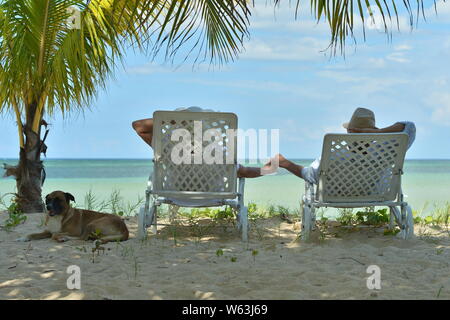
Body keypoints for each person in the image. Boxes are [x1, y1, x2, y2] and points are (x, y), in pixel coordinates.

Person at [267, 107, 416, 183]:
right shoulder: (383, 153)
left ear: (349, 131)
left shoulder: (334, 155)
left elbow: (309, 175)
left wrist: (285, 163)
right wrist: (376, 132)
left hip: (333, 195)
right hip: (376, 194)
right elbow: (409, 126)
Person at [132, 106, 264, 178]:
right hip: (212, 196)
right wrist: (269, 168)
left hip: (174, 192)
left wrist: (174, 120)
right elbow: (245, 172)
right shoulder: (216, 152)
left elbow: (138, 126)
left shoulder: (167, 148)